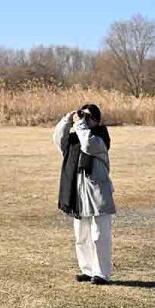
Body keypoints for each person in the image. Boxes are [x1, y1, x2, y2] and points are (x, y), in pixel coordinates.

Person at [52, 103, 116, 284]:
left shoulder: (100, 139)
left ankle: (102, 273)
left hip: (97, 192)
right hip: (78, 193)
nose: (85, 120)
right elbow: (58, 140)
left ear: (97, 120)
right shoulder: (74, 139)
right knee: (82, 236)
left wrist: (80, 125)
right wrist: (67, 120)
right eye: (83, 116)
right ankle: (87, 270)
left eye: (89, 117)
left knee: (100, 236)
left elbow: (87, 145)